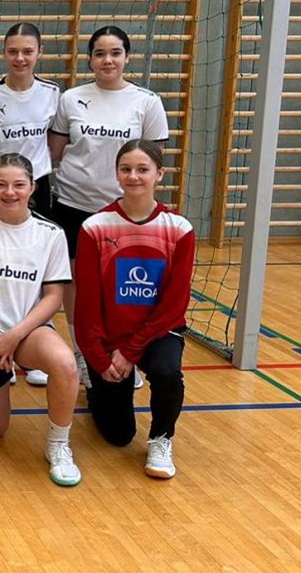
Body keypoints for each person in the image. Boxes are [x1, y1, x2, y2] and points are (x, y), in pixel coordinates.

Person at [0, 153, 82, 487]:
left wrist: (14, 336)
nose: (10, 192)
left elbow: (53, 296)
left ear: (32, 187)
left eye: (19, 185)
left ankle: (59, 445)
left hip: (28, 333)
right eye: (1, 184)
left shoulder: (50, 233)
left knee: (66, 365)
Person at [49, 25, 169, 387]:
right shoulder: (71, 99)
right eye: (100, 54)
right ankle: (82, 354)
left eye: (115, 53)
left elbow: (152, 160)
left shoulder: (146, 101)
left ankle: (123, 355)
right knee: (75, 284)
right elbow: (56, 152)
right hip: (74, 204)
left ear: (127, 57)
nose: (107, 60)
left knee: (119, 285)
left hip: (124, 212)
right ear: (90, 59)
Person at [75, 140, 194, 479]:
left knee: (168, 373)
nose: (133, 176)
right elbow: (87, 303)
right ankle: (95, 389)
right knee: (119, 435)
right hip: (110, 337)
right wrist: (99, 358)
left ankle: (161, 438)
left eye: (143, 169)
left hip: (158, 332)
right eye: (126, 169)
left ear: (160, 174)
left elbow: (174, 304)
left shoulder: (179, 229)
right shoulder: (95, 227)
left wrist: (130, 352)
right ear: (116, 174)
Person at [0, 21, 60, 387]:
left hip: (36, 189)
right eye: (13, 51)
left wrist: (27, 181)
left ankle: (31, 352)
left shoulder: (52, 94)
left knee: (34, 270)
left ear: (39, 53)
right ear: (4, 53)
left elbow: (55, 143)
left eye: (28, 51)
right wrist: (3, 177)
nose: (20, 58)